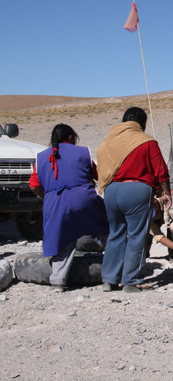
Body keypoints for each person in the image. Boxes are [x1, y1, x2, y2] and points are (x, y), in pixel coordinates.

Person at [97, 107, 171, 293]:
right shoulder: (146, 141)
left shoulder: (107, 142)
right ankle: (131, 281)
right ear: (141, 123)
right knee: (137, 236)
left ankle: (109, 279)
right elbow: (160, 170)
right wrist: (166, 193)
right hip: (137, 191)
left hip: (111, 191)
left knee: (115, 234)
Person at [29, 124, 109, 291]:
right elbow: (100, 176)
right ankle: (112, 273)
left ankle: (58, 281)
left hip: (54, 201)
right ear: (71, 137)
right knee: (107, 227)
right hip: (83, 198)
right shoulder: (82, 153)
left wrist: (47, 198)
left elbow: (34, 185)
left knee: (61, 239)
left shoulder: (42, 157)